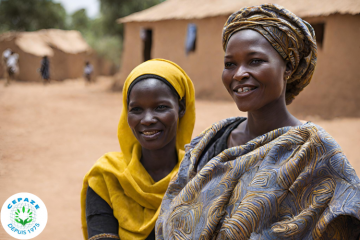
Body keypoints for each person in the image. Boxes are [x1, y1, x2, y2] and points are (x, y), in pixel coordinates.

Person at [156, 4, 360, 239]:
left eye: (255, 61)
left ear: (288, 67)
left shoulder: (316, 153)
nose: (239, 74)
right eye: (230, 64)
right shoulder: (210, 141)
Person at [80, 59, 196, 240]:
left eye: (161, 107)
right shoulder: (107, 177)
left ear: (181, 108)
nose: (147, 119)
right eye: (136, 109)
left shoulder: (200, 176)